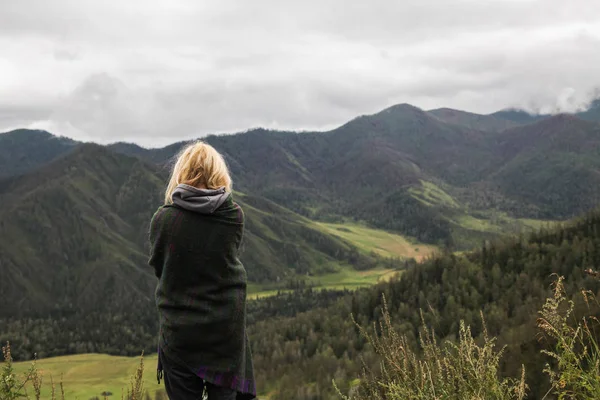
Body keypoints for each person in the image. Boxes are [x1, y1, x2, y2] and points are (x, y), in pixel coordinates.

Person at [148, 141, 256, 400]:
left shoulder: (163, 219)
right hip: (225, 335)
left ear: (181, 172)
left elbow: (159, 266)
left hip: (179, 334)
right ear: (220, 173)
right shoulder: (233, 216)